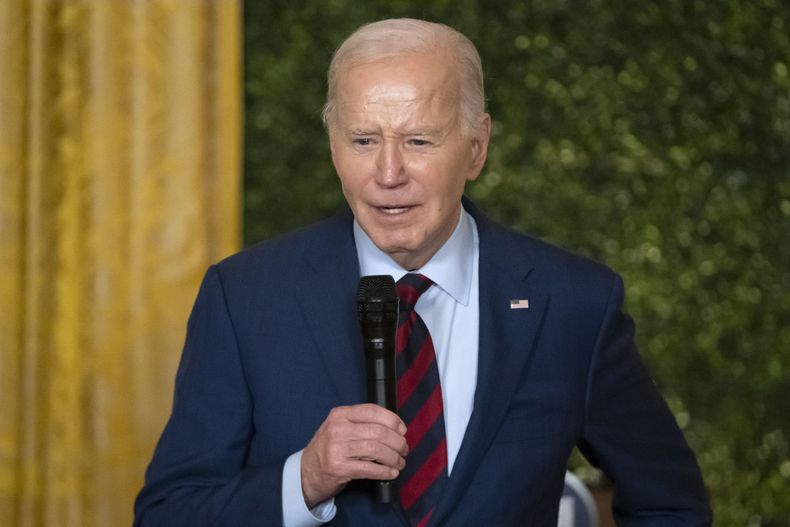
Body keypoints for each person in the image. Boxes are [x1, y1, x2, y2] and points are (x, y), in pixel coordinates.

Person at [134, 18, 712, 527]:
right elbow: (167, 514)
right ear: (334, 147)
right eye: (364, 140)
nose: (389, 173)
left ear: (477, 147)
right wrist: (303, 481)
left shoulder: (572, 303)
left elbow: (671, 504)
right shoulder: (244, 299)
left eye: (418, 140)